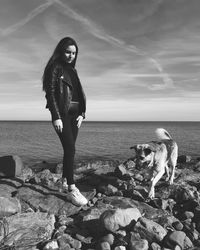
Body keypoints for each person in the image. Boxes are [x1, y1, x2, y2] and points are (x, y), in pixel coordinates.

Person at [42, 37, 87, 206]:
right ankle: (72, 189)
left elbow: (79, 94)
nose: (71, 56)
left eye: (74, 53)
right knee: (70, 148)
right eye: (68, 52)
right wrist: (56, 116)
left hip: (76, 117)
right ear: (61, 51)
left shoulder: (73, 71)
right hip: (62, 116)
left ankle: (63, 181)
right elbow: (51, 93)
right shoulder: (55, 68)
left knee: (69, 150)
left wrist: (83, 113)